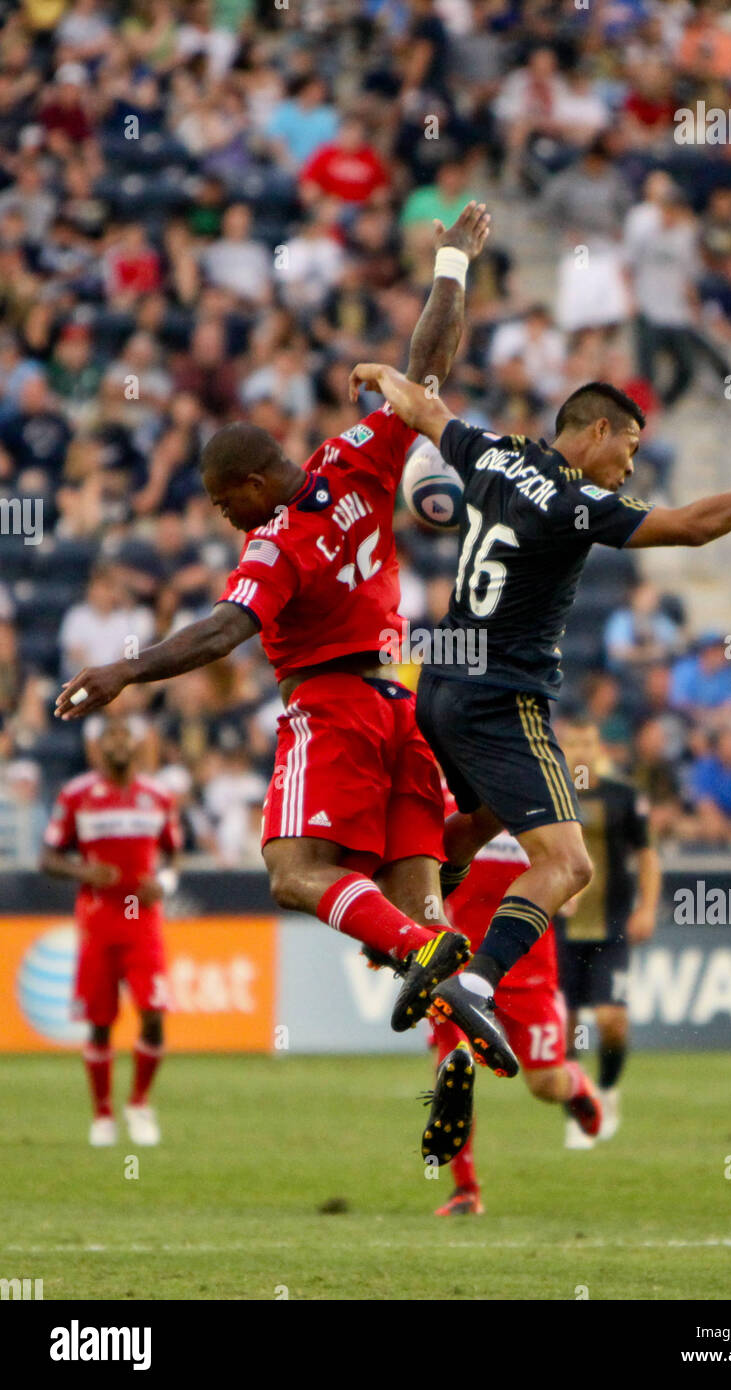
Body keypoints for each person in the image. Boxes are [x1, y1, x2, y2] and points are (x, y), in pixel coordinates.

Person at [54, 205, 507, 1149]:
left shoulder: (275, 544)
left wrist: (124, 670)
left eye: (225, 501)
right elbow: (427, 367)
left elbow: (224, 632)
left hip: (334, 708)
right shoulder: (357, 458)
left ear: (256, 483)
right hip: (403, 705)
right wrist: (453, 263)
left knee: (294, 874)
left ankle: (433, 954)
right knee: (415, 911)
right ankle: (455, 1025)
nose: (224, 518)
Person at [344, 356, 731, 1077]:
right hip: (501, 697)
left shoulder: (493, 454)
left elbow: (426, 410)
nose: (631, 467)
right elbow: (695, 526)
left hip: (441, 683)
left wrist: (384, 373)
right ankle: (475, 983)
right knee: (567, 864)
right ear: (599, 430)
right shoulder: (573, 502)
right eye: (630, 449)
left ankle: (397, 933)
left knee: (483, 823)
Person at [424, 795, 601, 1214]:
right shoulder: (447, 802)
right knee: (453, 1075)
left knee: (544, 1085)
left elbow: (578, 864)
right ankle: (466, 1190)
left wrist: (570, 892)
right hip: (459, 965)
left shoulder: (532, 795)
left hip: (528, 968)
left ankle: (573, 1084)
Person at [40, 717, 181, 1147]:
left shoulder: (158, 797)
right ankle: (102, 1114)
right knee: (100, 1023)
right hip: (99, 920)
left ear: (136, 745)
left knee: (153, 1014)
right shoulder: (77, 795)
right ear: (98, 747)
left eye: (125, 735)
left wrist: (166, 884)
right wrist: (83, 869)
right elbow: (48, 857)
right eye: (110, 737)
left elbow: (173, 857)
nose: (118, 743)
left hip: (143, 922)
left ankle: (138, 1103)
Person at [553, 719, 659, 1149]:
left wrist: (648, 908)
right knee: (565, 1026)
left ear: (599, 747)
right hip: (558, 931)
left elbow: (648, 856)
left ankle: (609, 1089)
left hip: (611, 928)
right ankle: (580, 1110)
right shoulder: (550, 794)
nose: (580, 750)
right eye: (572, 742)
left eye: (587, 742)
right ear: (561, 746)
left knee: (612, 1020)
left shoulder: (624, 796)